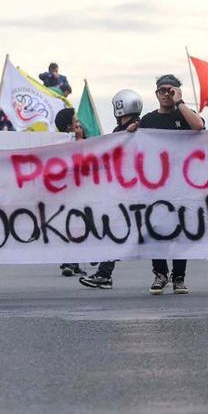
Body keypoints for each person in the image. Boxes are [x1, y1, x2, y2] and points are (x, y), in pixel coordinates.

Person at [130, 74, 204, 295]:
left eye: (171, 90)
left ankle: (179, 277)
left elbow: (198, 126)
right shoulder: (148, 120)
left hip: (182, 186)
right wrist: (132, 131)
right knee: (157, 231)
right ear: (156, 94)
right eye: (162, 90)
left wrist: (180, 103)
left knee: (181, 231)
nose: (166, 94)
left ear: (178, 92)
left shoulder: (186, 115)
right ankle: (160, 273)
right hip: (155, 187)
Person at [79, 89, 143, 290]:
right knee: (111, 229)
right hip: (122, 190)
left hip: (133, 191)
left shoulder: (142, 128)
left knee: (115, 231)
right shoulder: (120, 132)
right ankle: (102, 265)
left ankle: (104, 273)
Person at [54, 107, 89, 278]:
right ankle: (69, 261)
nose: (79, 124)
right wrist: (80, 140)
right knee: (72, 224)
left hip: (71, 191)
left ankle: (72, 261)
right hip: (69, 191)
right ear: (69, 128)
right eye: (76, 122)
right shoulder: (62, 144)